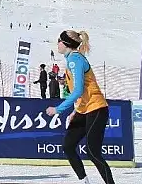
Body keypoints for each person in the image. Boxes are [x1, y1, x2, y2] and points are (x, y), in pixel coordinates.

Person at [46, 30, 114, 184]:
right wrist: (75, 111)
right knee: (68, 146)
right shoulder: (71, 59)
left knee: (93, 152)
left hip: (96, 108)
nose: (57, 43)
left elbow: (78, 91)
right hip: (84, 109)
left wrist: (58, 109)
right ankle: (84, 181)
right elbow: (81, 92)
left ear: (66, 44)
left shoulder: (74, 60)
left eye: (59, 40)